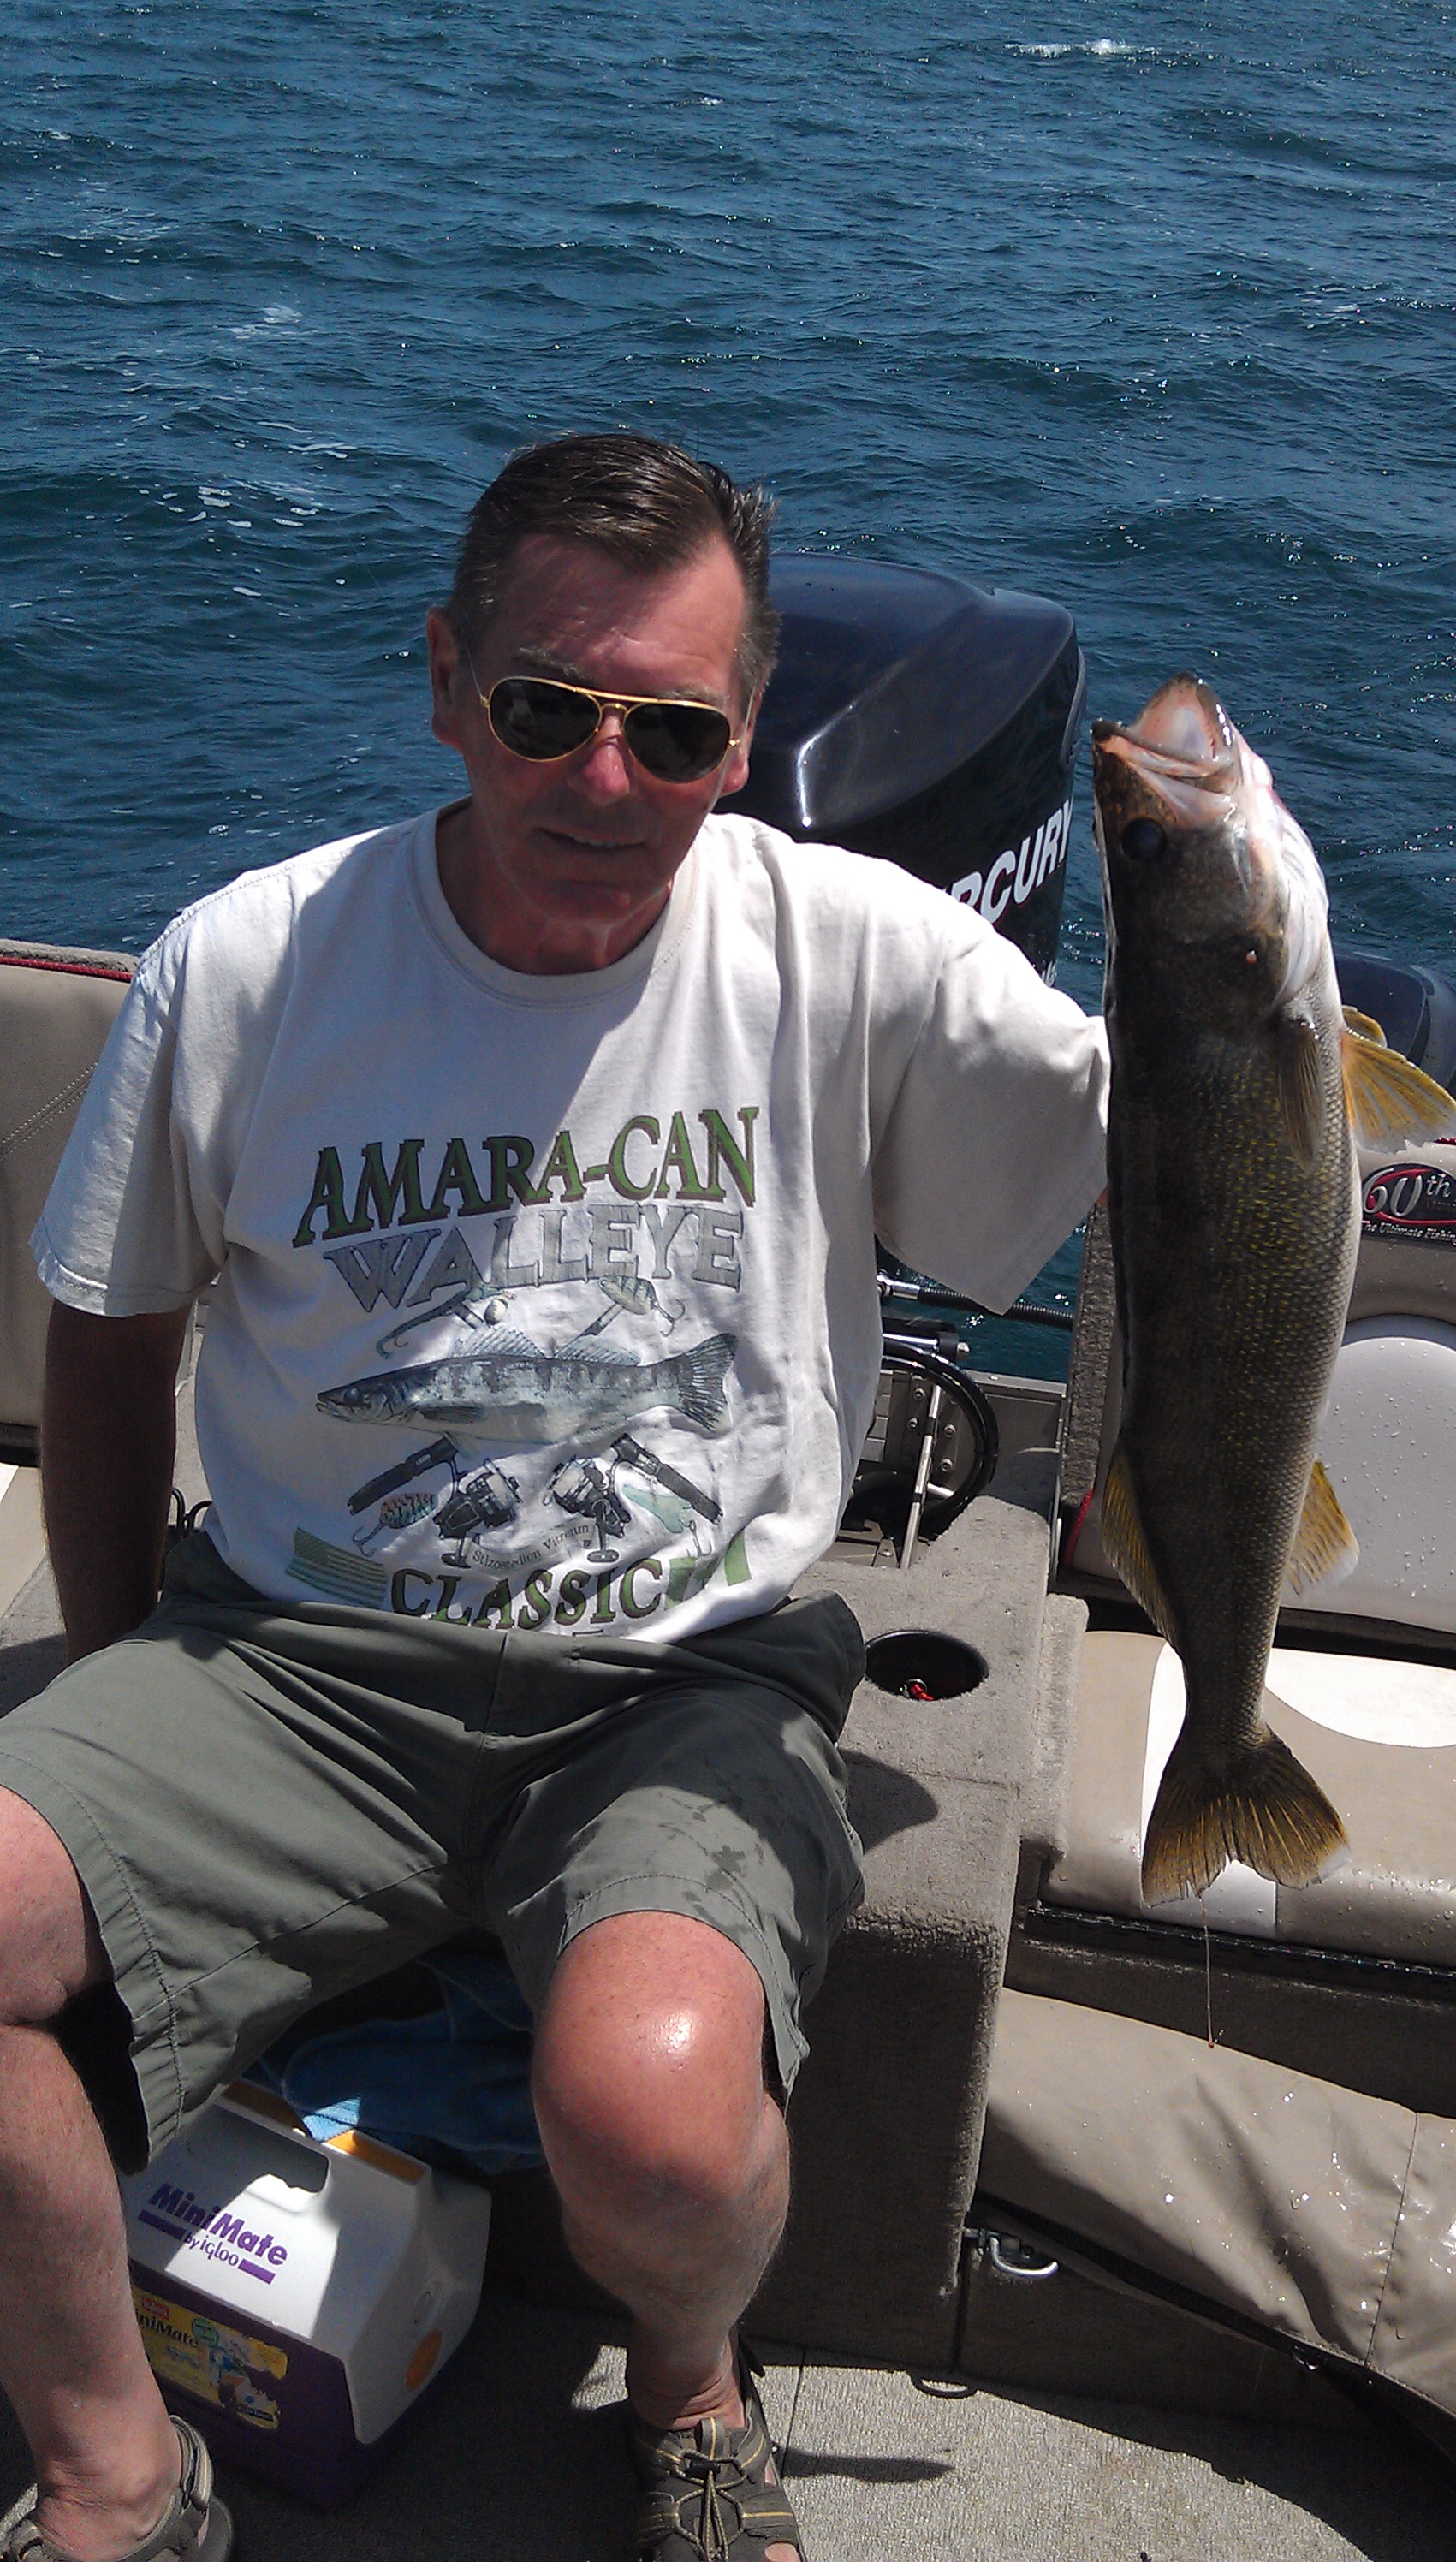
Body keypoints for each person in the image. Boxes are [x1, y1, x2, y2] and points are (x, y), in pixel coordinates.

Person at [0, 433, 1109, 2562]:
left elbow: (1167, 1140)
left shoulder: (857, 951)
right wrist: (122, 1687)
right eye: (546, 709)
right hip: (294, 1657)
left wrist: (1272, 1025)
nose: (606, 778)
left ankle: (688, 2386)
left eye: (672, 732)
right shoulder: (253, 964)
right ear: (445, 682)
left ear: (743, 743)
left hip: (688, 1672)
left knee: (657, 2119)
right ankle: (115, 2472)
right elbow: (113, 1345)